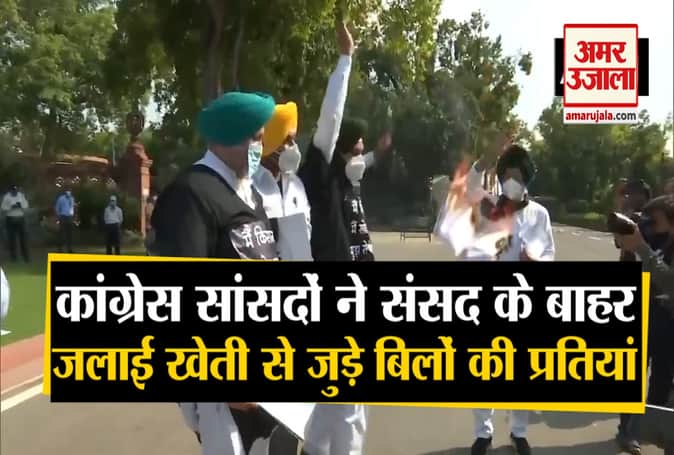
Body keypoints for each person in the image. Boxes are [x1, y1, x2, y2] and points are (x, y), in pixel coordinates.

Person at [151, 90, 279, 455]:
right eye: (256, 138)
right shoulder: (191, 194)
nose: (261, 148)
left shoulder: (248, 192)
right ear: (229, 138)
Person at [464, 139, 555, 455]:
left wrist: (537, 260)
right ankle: (482, 433)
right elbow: (469, 188)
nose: (510, 182)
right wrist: (484, 161)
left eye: (516, 176)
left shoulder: (540, 215)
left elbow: (550, 253)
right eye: (506, 177)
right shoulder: (489, 208)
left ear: (527, 178)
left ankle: (519, 432)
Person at [615, 194, 674, 454]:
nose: (649, 224)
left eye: (654, 219)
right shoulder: (656, 235)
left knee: (662, 380)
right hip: (644, 311)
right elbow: (622, 243)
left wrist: (641, 248)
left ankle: (651, 428)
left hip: (666, 320)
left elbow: (669, 281)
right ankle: (628, 431)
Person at [252, 101, 312, 259]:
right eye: (287, 141)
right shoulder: (248, 185)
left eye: (294, 140)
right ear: (270, 142)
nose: (293, 146)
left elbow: (306, 231)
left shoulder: (296, 185)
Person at [1, 185, 30, 262]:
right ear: (10, 191)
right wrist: (11, 207)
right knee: (12, 239)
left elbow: (26, 206)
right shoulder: (7, 197)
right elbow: (3, 208)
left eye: (16, 191)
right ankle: (14, 257)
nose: (15, 192)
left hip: (20, 218)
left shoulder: (21, 195)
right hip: (10, 218)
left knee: (23, 239)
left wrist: (20, 206)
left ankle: (26, 257)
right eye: (13, 191)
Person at [54, 189, 76, 253]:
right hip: (63, 216)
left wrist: (73, 216)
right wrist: (59, 215)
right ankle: (60, 248)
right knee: (62, 233)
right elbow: (57, 207)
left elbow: (72, 207)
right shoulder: (61, 198)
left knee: (70, 234)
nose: (69, 193)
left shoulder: (72, 198)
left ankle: (69, 248)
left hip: (70, 217)